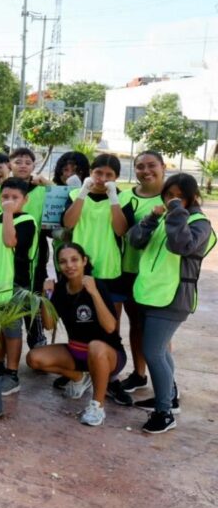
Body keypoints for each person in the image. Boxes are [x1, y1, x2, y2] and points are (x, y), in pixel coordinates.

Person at [128, 173, 215, 434]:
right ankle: (169, 397)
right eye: (168, 195)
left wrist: (176, 212)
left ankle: (164, 413)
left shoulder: (200, 224)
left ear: (192, 197)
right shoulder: (165, 218)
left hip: (174, 298)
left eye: (178, 196)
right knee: (161, 351)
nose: (172, 200)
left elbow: (180, 245)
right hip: (150, 294)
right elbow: (135, 241)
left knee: (152, 352)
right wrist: (152, 219)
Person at [30, 243, 125, 427]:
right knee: (34, 358)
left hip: (107, 355)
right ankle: (79, 378)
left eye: (74, 260)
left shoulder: (97, 286)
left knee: (95, 346)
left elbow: (110, 327)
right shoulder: (59, 290)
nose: (69, 265)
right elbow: (49, 326)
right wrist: (45, 295)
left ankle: (97, 406)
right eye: (63, 262)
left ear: (84, 261)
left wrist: (94, 293)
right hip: (76, 352)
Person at [0, 177, 38, 395]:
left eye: (15, 198)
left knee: (12, 331)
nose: (8, 202)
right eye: (5, 197)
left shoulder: (27, 221)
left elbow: (9, 241)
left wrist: (7, 213)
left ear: (25, 200)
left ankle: (12, 374)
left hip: (13, 284)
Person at [116, 151, 166, 397]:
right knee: (136, 324)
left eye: (151, 166)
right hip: (126, 270)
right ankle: (138, 374)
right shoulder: (125, 196)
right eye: (140, 167)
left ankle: (166, 386)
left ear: (163, 167)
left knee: (158, 332)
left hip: (155, 275)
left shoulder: (172, 198)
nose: (146, 171)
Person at [62, 154, 133, 319]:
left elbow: (121, 230)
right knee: (81, 320)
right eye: (98, 173)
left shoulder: (123, 198)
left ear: (116, 178)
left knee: (110, 324)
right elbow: (69, 223)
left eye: (109, 175)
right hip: (79, 267)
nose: (102, 179)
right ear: (91, 172)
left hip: (110, 269)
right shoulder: (74, 194)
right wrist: (83, 192)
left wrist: (113, 198)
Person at [10, 147, 50, 348]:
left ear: (34, 166)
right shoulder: (3, 189)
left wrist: (48, 183)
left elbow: (62, 201)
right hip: (7, 250)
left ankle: (36, 338)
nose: (23, 165)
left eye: (27, 162)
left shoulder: (43, 190)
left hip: (36, 251)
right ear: (11, 165)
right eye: (18, 161)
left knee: (33, 293)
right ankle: (7, 341)